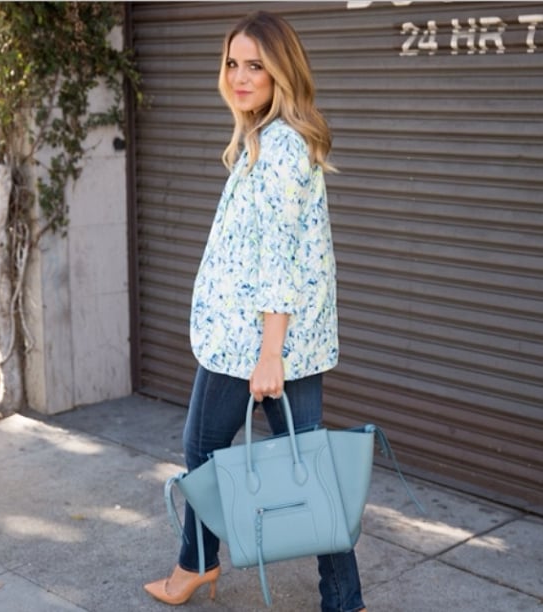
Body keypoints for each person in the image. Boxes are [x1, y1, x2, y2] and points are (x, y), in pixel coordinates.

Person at [143, 11, 367, 612]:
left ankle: (196, 564)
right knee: (309, 464)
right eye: (232, 63)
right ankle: (343, 600)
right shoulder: (262, 139)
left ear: (280, 72)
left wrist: (270, 355)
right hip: (262, 339)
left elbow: (280, 261)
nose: (240, 77)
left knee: (204, 450)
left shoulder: (282, 147)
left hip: (254, 343)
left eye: (256, 66)